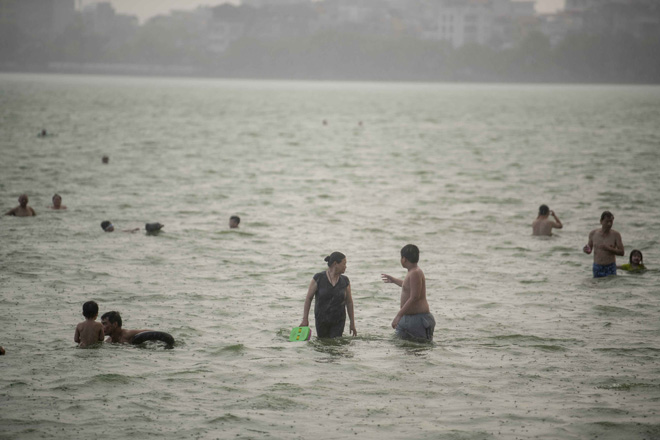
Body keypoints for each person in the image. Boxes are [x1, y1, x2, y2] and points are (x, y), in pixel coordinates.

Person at [381, 244, 435, 342]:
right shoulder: (413, 272)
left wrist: (399, 315)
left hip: (418, 319)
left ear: (404, 259)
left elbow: (414, 297)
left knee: (416, 350)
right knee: (404, 349)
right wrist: (394, 280)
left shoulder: (415, 272)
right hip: (411, 319)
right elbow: (409, 287)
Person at [300, 252, 357, 338]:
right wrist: (305, 319)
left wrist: (352, 323)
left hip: (339, 320)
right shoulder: (318, 278)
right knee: (323, 345)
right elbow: (308, 298)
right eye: (344, 264)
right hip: (321, 319)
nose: (345, 266)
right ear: (335, 264)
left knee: (336, 345)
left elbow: (349, 302)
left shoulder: (345, 281)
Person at [583, 211, 624, 278]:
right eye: (607, 221)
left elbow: (622, 252)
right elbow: (589, 250)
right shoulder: (593, 234)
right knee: (596, 287)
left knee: (611, 287)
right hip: (597, 267)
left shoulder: (616, 235)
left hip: (610, 267)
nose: (609, 224)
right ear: (601, 221)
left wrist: (609, 249)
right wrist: (585, 250)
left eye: (611, 222)